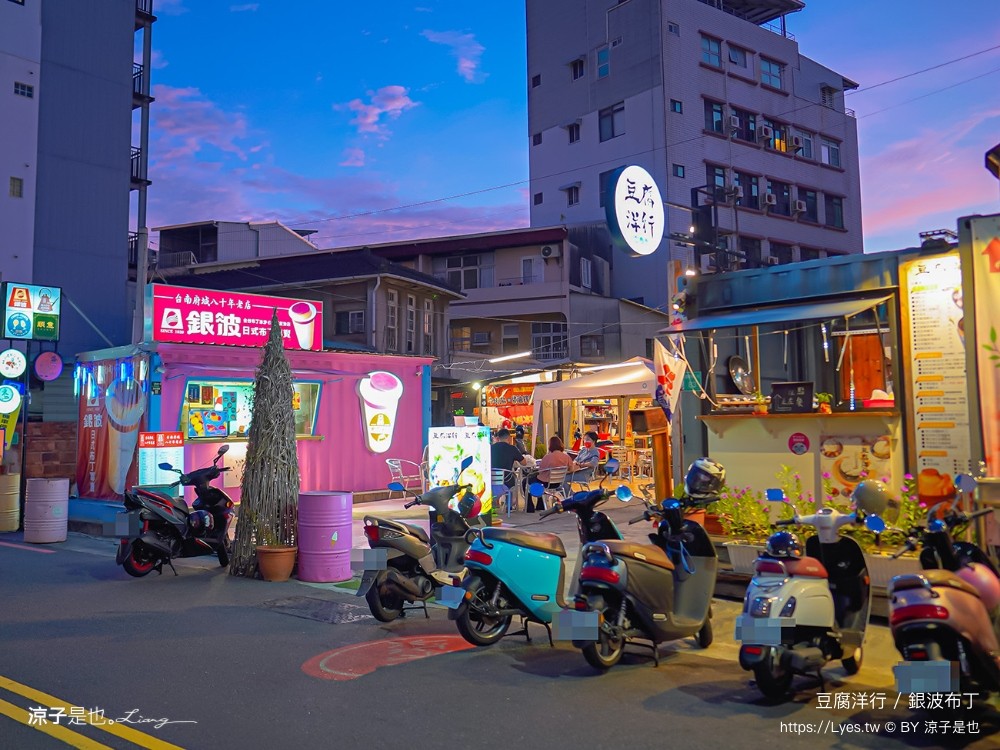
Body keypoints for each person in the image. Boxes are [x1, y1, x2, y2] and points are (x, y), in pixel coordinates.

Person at [533, 435, 577, 513]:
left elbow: (540, 471)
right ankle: (540, 504)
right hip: (559, 483)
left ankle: (532, 506)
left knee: (527, 481)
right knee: (539, 481)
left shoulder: (547, 457)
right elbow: (572, 469)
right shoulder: (566, 457)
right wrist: (562, 472)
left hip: (546, 483)